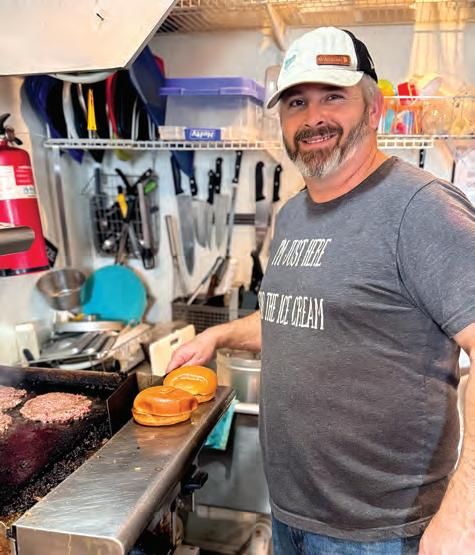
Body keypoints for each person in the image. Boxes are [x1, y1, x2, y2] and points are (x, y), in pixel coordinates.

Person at [167, 27, 475, 555]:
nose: (313, 118)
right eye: (296, 102)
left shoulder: (421, 209)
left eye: (333, 96)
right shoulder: (293, 214)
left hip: (382, 533)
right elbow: (297, 317)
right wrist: (217, 338)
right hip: (291, 513)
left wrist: (463, 522)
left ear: (374, 109)